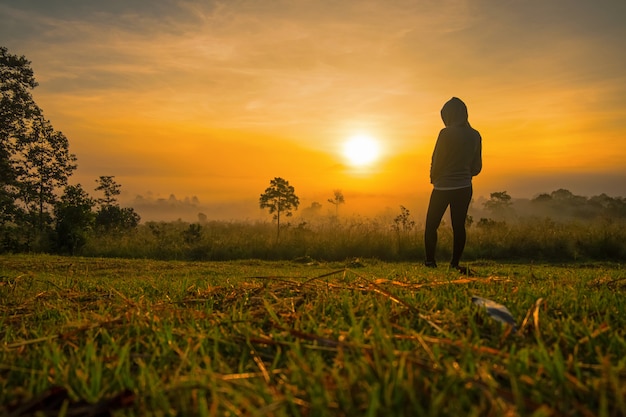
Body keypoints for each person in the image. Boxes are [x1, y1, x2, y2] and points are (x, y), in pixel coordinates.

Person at [424, 97, 482, 274]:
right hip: (464, 187)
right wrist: (464, 174)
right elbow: (477, 167)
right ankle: (454, 263)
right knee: (458, 226)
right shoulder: (475, 135)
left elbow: (437, 158)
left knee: (431, 225)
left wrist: (434, 177)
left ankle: (430, 262)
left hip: (442, 187)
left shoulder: (445, 133)